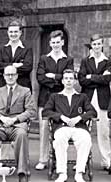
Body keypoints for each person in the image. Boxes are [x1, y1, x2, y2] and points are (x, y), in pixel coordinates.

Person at [0, 65, 36, 182]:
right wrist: (1, 118)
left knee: (22, 135)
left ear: (17, 76)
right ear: (4, 76)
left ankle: (22, 173)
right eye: (7, 74)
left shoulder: (25, 91)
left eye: (13, 74)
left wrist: (15, 119)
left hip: (17, 125)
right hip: (0, 125)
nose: (10, 77)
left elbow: (31, 111)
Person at [42, 69, 97, 182]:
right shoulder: (55, 96)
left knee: (85, 139)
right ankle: (62, 173)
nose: (68, 81)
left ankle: (79, 173)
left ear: (75, 81)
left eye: (71, 78)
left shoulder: (82, 96)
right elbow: (46, 112)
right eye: (66, 78)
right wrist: (60, 116)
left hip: (79, 127)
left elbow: (93, 112)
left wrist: (80, 118)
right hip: (62, 126)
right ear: (62, 81)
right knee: (60, 139)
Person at [36, 30, 74, 170]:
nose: (56, 45)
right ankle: (43, 159)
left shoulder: (68, 60)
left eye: (58, 42)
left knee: (61, 128)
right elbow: (40, 78)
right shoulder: (44, 59)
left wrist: (52, 76)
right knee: (44, 128)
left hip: (62, 98)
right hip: (45, 98)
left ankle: (60, 159)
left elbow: (68, 77)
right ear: (50, 43)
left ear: (62, 42)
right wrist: (58, 78)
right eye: (53, 42)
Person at [78, 34, 111, 170]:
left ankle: (106, 161)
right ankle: (82, 161)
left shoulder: (108, 61)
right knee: (83, 131)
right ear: (91, 46)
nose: (97, 47)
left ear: (102, 45)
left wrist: (91, 77)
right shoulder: (85, 61)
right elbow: (82, 80)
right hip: (87, 99)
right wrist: (99, 78)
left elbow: (107, 80)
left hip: (103, 100)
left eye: (99, 44)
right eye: (94, 44)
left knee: (103, 132)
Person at [0, 20, 33, 89]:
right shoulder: (0, 48)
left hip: (22, 86)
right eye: (11, 32)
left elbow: (27, 67)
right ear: (7, 32)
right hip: (2, 85)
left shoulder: (27, 48)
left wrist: (5, 67)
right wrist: (14, 65)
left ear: (20, 32)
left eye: (16, 32)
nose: (13, 34)